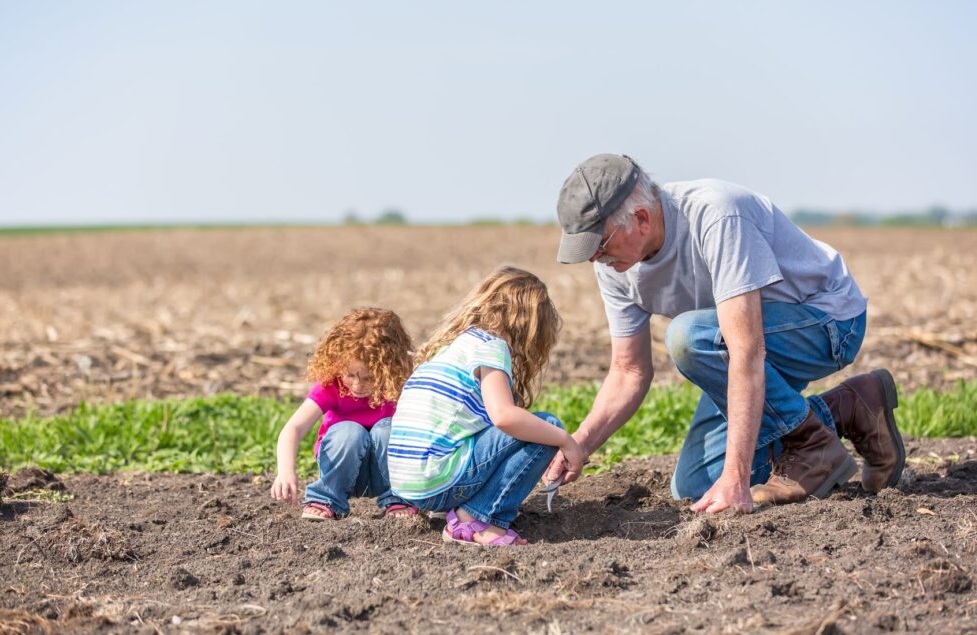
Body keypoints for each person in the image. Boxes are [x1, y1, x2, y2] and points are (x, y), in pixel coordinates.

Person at [547, 153, 905, 513]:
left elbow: (746, 350)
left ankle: (811, 443)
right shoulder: (615, 264)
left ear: (640, 219)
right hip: (733, 343)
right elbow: (629, 371)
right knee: (696, 485)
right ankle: (848, 408)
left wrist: (736, 479)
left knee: (687, 337)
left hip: (827, 322)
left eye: (600, 244)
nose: (594, 258)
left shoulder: (717, 214)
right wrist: (579, 443)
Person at [387, 266, 586, 546]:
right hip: (435, 479)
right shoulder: (491, 347)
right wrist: (565, 440)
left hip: (407, 485)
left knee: (531, 429)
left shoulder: (454, 347)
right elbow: (504, 416)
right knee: (548, 427)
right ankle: (476, 519)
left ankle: (459, 509)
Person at [271, 307, 419, 520]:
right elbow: (294, 428)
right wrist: (285, 471)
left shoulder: (398, 385)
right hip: (342, 470)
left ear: (390, 368)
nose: (357, 385)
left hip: (386, 473)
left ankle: (399, 498)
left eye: (369, 378)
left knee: (387, 430)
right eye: (350, 374)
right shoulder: (332, 385)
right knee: (349, 431)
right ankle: (326, 497)